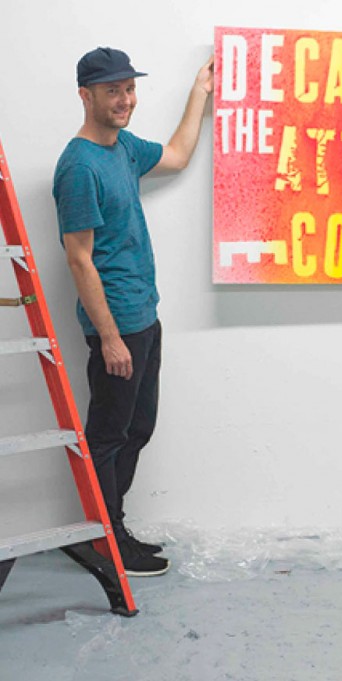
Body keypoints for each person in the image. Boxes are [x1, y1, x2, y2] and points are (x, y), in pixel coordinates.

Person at [53, 47, 213, 577]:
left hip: (144, 316)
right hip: (116, 326)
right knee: (108, 434)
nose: (124, 100)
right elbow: (78, 259)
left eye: (128, 89)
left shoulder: (121, 149)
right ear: (86, 95)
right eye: (112, 91)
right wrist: (110, 337)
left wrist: (199, 93)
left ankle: (110, 529)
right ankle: (103, 540)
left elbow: (176, 155)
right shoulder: (78, 166)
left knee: (137, 427)